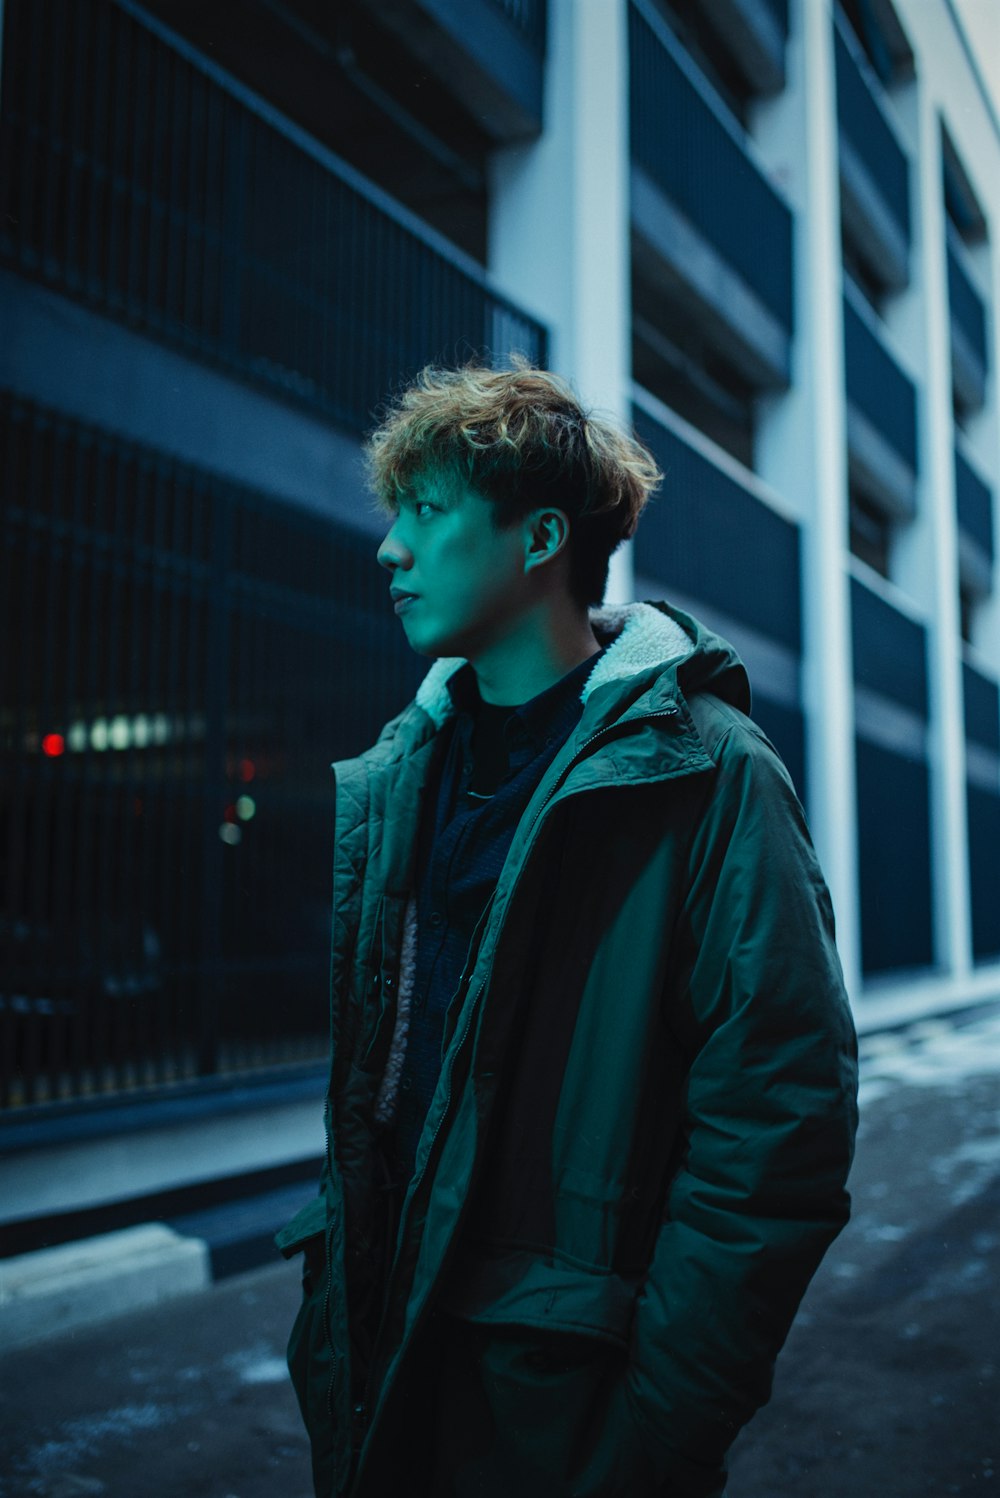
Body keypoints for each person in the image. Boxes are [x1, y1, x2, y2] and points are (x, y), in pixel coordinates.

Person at [276, 362, 859, 1498]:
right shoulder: (407, 770)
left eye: (428, 512)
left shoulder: (705, 769)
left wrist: (660, 1428)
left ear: (540, 537)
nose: (390, 549)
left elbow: (779, 1124)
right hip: (385, 1379)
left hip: (573, 1421)